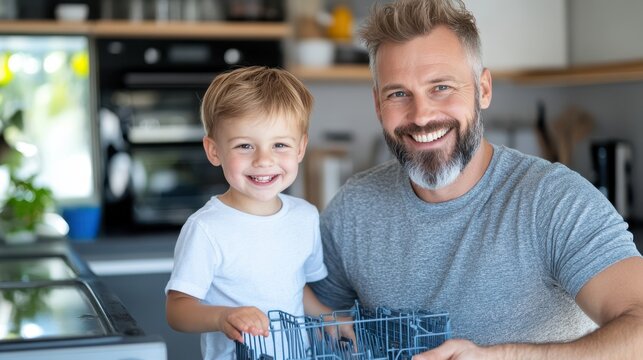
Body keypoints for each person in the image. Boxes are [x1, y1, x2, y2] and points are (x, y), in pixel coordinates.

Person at [309, 0, 643, 359]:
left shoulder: (553, 201)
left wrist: (502, 357)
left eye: (441, 87)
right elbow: (309, 321)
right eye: (399, 94)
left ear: (483, 89)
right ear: (378, 105)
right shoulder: (355, 207)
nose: (421, 116)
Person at [165, 66, 339, 359]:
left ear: (301, 148)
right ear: (214, 150)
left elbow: (297, 287)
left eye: (280, 145)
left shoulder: (306, 216)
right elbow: (177, 310)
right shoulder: (206, 229)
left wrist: (328, 317)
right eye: (245, 146)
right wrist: (223, 317)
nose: (263, 160)